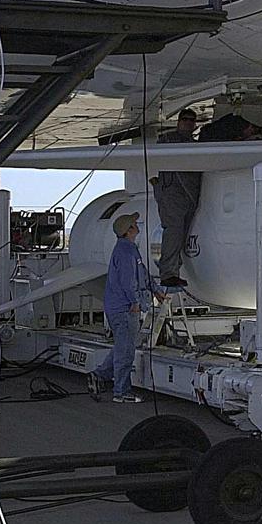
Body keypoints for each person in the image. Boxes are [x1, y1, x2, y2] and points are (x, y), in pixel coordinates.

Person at [90, 213, 165, 403]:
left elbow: (142, 274)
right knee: (125, 352)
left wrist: (155, 290)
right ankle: (121, 392)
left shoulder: (129, 249)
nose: (137, 225)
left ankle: (99, 376)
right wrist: (134, 302)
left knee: (122, 347)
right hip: (124, 309)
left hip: (121, 307)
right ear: (128, 230)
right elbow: (128, 281)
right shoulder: (125, 252)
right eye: (133, 224)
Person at [153, 108, 200, 288]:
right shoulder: (168, 140)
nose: (188, 123)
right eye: (185, 119)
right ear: (179, 121)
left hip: (187, 197)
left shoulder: (194, 145)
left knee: (179, 234)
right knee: (173, 232)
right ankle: (168, 273)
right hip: (172, 195)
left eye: (191, 120)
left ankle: (174, 271)